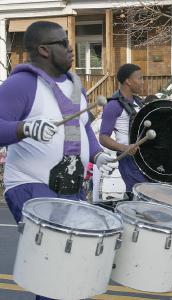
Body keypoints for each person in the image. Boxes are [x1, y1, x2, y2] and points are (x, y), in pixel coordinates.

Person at [0, 21, 116, 300]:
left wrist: (97, 155)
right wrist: (23, 128)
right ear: (43, 50)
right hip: (30, 185)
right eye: (63, 43)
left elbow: (83, 126)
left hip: (71, 188)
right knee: (57, 264)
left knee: (72, 269)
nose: (71, 48)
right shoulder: (22, 84)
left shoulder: (75, 84)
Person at [99, 63, 154, 199]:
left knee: (151, 197)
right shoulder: (113, 105)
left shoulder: (138, 102)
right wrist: (125, 148)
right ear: (128, 81)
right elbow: (103, 137)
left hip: (145, 158)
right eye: (139, 78)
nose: (142, 82)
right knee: (140, 198)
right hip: (129, 160)